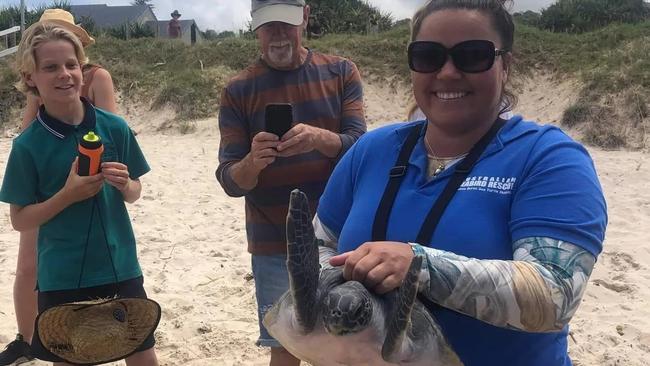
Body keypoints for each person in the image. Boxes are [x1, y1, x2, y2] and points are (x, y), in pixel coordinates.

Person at [314, 0, 607, 365]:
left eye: (472, 55)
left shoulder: (548, 158)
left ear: (506, 66)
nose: (448, 72)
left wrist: (420, 266)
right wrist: (340, 292)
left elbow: (554, 294)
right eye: (428, 56)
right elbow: (318, 244)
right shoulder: (371, 151)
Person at [215, 1, 366, 364]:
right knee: (283, 346)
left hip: (341, 235)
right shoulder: (238, 89)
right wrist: (253, 162)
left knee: (348, 341)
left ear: (306, 18)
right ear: (255, 28)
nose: (279, 35)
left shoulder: (341, 72)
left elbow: (363, 150)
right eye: (269, 27)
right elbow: (230, 180)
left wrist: (321, 138)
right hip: (273, 241)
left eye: (286, 25)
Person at [0, 20, 158, 366]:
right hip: (62, 275)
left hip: (120, 266)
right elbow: (18, 219)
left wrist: (126, 184)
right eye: (51, 67)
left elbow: (136, 192)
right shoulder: (28, 146)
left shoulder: (114, 127)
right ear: (31, 78)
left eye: (72, 65)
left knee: (143, 356)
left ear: (82, 69)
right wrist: (66, 195)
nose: (64, 74)